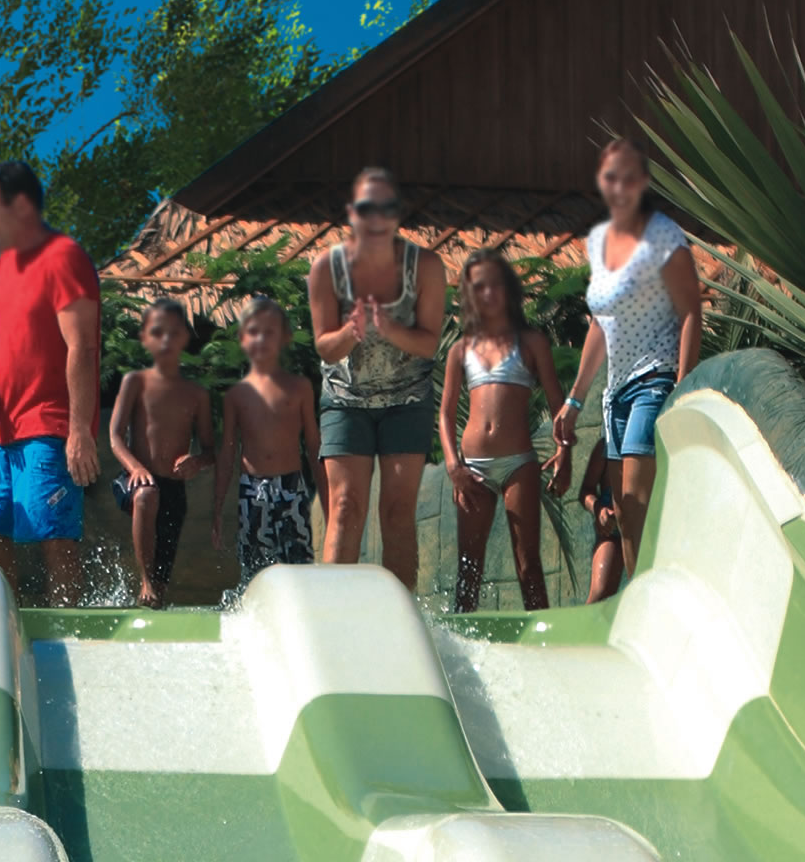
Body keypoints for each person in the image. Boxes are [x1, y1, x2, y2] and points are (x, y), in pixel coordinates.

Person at [556, 138, 702, 599]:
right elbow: (600, 324)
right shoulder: (599, 242)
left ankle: (655, 600)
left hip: (654, 381)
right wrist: (574, 400)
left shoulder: (663, 238)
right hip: (614, 393)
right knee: (623, 514)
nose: (618, 185)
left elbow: (691, 312)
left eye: (627, 176)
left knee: (637, 502)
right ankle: (642, 602)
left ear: (642, 182)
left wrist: (681, 389)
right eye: (609, 176)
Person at [0, 161, 101, 605]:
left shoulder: (64, 258)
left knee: (52, 536)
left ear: (20, 206)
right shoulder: (6, 267)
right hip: (3, 427)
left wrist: (79, 430)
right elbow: (7, 334)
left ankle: (70, 631)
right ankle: (7, 617)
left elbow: (82, 346)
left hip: (50, 424)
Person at [306, 163, 446, 587]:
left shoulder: (425, 266)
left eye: (387, 208)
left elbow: (429, 344)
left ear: (398, 214)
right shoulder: (326, 268)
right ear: (352, 213)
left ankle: (399, 611)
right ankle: (335, 609)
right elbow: (323, 345)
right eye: (368, 208)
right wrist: (351, 331)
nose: (377, 217)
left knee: (397, 512)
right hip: (346, 399)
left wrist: (388, 327)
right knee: (346, 506)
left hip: (407, 399)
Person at [440, 249, 568, 614]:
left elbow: (558, 404)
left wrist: (565, 453)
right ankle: (460, 640)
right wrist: (453, 466)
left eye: (495, 284)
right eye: (479, 286)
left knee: (528, 564)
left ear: (509, 288)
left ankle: (543, 637)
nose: (488, 293)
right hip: (472, 468)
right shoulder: (461, 349)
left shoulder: (531, 342)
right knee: (469, 568)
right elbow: (445, 414)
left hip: (518, 463)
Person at [108, 298, 211, 607]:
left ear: (184, 337)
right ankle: (145, 581)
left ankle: (154, 593)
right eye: (157, 332)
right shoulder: (135, 382)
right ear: (145, 337)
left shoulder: (196, 394)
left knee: (162, 581)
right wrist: (136, 468)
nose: (165, 340)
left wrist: (197, 461)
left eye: (173, 332)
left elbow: (210, 451)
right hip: (134, 479)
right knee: (146, 494)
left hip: (173, 488)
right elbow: (115, 436)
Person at [212, 294, 319, 589]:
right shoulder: (237, 395)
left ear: (285, 337)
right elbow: (228, 452)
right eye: (253, 331)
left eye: (269, 332)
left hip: (292, 488)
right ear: (242, 338)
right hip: (253, 490)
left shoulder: (299, 388)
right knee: (254, 569)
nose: (261, 339)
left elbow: (313, 444)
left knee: (299, 564)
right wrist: (217, 507)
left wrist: (328, 496)